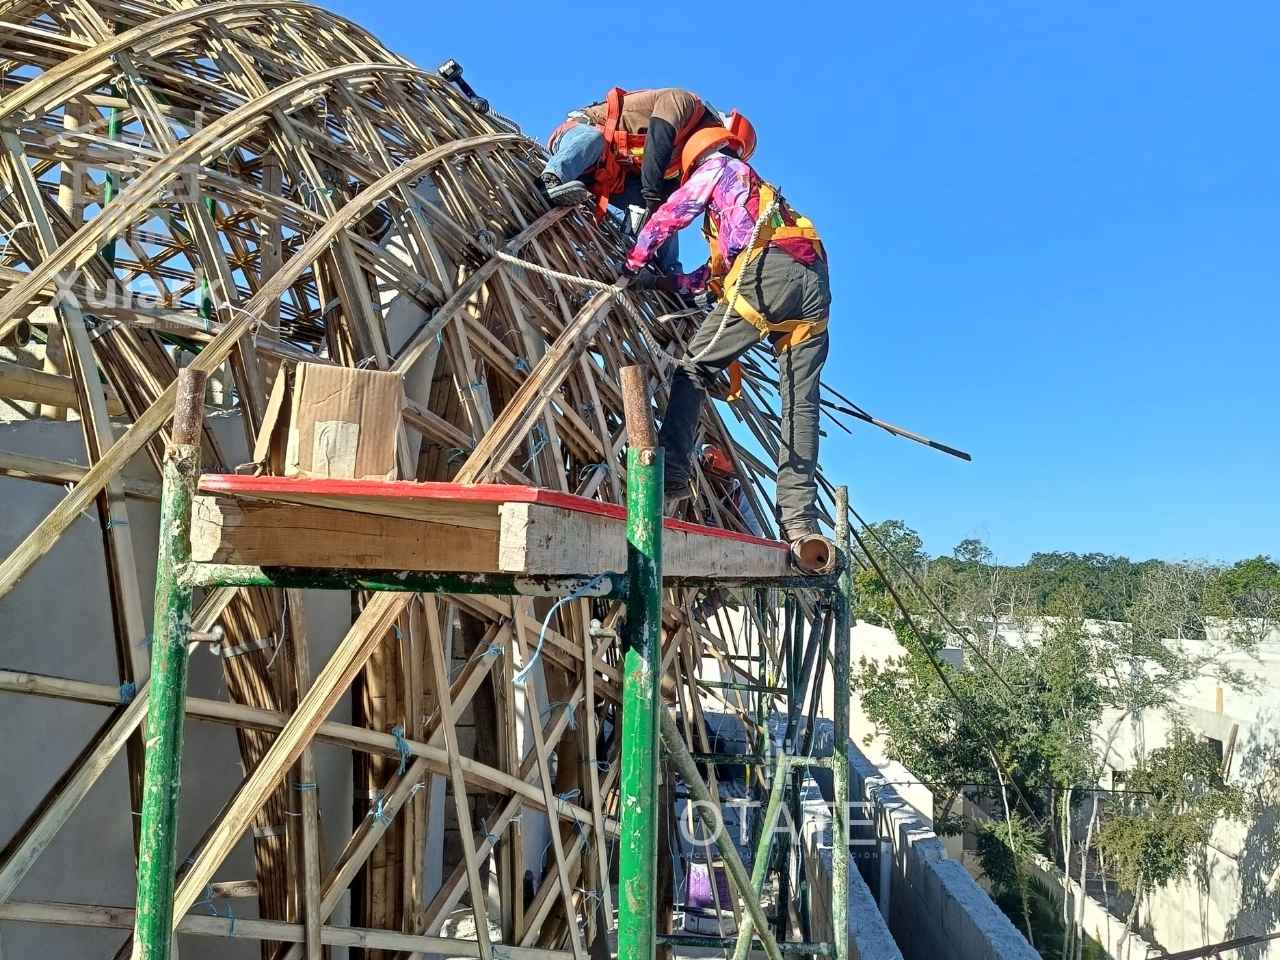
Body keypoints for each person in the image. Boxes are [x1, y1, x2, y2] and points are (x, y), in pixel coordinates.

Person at [623, 125, 830, 545]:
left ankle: (673, 472)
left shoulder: (719, 166)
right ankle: (799, 521)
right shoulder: (765, 208)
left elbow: (672, 213)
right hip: (813, 286)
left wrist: (632, 264)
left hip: (766, 276)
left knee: (694, 370)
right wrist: (662, 285)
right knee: (800, 406)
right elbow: (711, 277)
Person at [542, 87, 756, 272]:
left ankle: (669, 270)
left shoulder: (685, 157)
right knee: (593, 138)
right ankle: (551, 181)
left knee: (666, 208)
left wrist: (654, 212)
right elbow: (658, 139)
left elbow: (671, 204)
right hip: (580, 142)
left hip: (609, 176)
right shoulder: (684, 102)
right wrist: (651, 195)